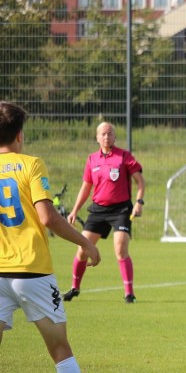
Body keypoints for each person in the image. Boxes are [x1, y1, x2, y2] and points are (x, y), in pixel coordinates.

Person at [0, 101, 102, 373]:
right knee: (59, 348)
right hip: (32, 271)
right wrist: (86, 244)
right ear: (19, 135)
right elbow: (48, 218)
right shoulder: (30, 164)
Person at [62, 121, 145, 304]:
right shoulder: (92, 159)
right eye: (103, 134)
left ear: (115, 137)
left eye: (110, 133)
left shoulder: (124, 156)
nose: (107, 137)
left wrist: (139, 202)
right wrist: (75, 210)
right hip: (98, 210)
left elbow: (140, 181)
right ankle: (74, 288)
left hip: (121, 209)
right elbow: (86, 187)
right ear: (97, 137)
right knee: (83, 248)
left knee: (120, 249)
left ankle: (129, 293)